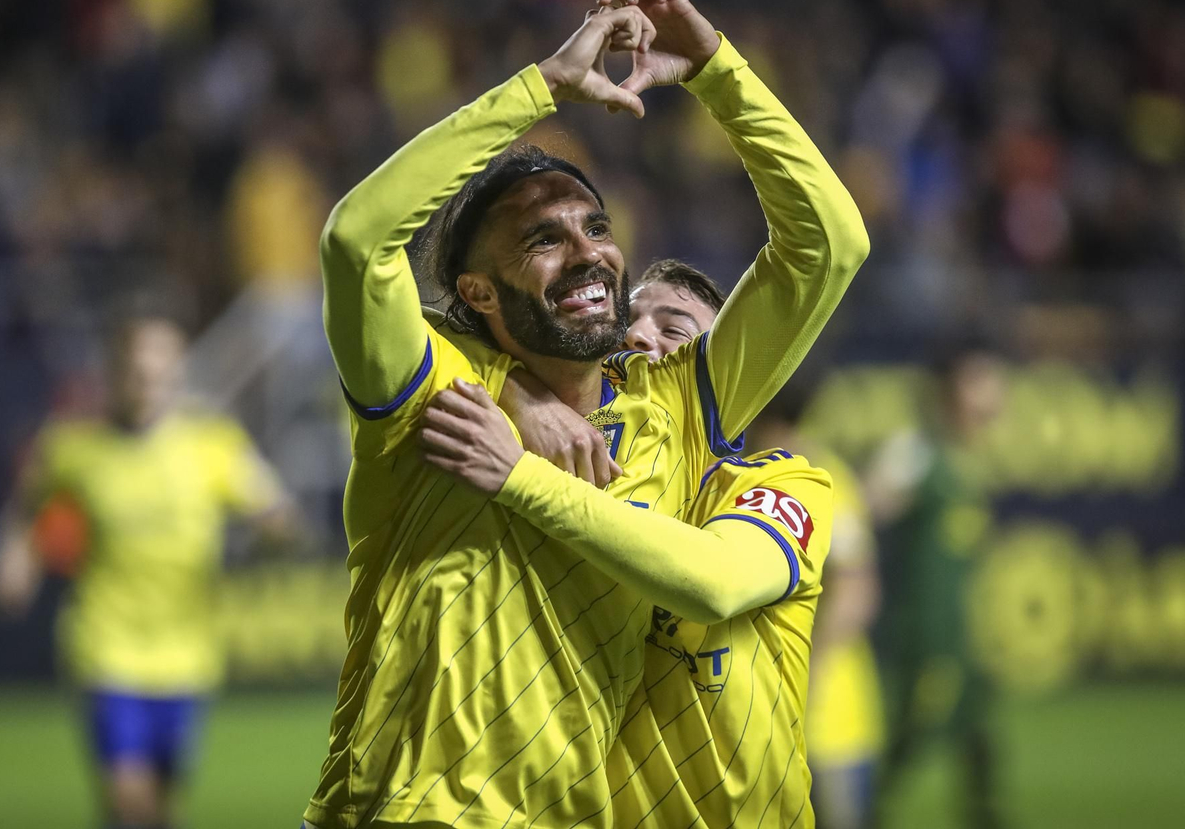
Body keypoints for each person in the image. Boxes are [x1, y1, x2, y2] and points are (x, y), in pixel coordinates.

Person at [303, 0, 867, 828]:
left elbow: (828, 244)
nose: (587, 251)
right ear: (479, 294)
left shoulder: (677, 407)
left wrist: (716, 70)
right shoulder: (435, 396)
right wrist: (545, 87)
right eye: (542, 237)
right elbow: (355, 243)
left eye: (596, 227)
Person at [428, 258, 838, 825]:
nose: (637, 336)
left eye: (674, 330)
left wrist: (518, 476)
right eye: (627, 320)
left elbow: (714, 583)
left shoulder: (781, 485)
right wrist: (519, 391)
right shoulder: (574, 470)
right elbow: (419, 325)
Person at [0, 307, 292, 829]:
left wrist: (273, 531)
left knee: (156, 809)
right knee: (133, 799)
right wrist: (14, 560)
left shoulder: (212, 446)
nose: (149, 382)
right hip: (107, 650)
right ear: (113, 372)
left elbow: (275, 513)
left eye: (161, 369)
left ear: (178, 371)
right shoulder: (73, 446)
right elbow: (25, 505)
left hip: (187, 657)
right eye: (137, 370)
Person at [864, 349, 1007, 829]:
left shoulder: (971, 457)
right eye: (981, 381)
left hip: (962, 631)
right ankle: (862, 812)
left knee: (978, 732)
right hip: (924, 631)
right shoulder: (918, 452)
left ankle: (985, 816)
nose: (994, 391)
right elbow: (865, 508)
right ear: (953, 390)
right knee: (915, 729)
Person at [753, 382, 885, 829]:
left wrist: (814, 666)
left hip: (826, 718)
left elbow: (856, 589)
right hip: (765, 717)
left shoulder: (820, 479)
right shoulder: (742, 470)